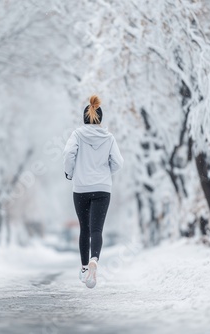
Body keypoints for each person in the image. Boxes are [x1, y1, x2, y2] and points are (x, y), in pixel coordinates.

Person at [63, 95, 124, 289]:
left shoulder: (77, 135)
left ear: (84, 117)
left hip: (81, 188)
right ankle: (94, 260)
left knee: (85, 229)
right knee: (97, 230)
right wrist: (106, 173)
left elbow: (68, 154)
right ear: (100, 119)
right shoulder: (109, 137)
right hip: (102, 189)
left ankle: (83, 268)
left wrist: (70, 172)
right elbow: (118, 163)